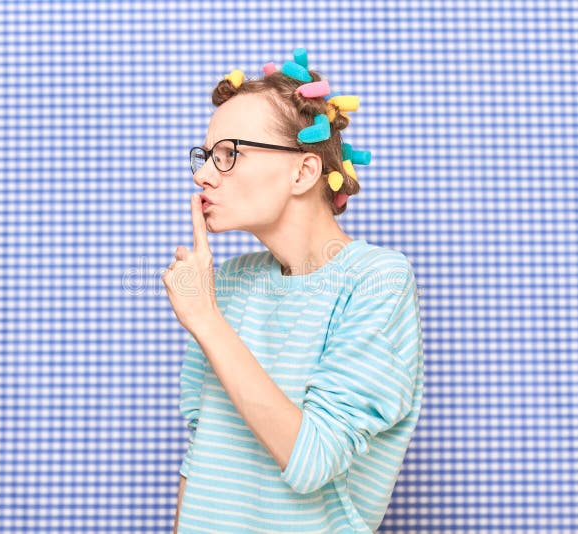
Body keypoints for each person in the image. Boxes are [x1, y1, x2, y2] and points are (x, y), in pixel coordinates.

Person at [162, 48, 424, 533]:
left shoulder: (377, 280)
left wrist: (205, 319)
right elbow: (202, 453)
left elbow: (314, 460)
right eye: (205, 156)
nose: (201, 175)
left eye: (228, 155)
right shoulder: (232, 282)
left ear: (302, 172)